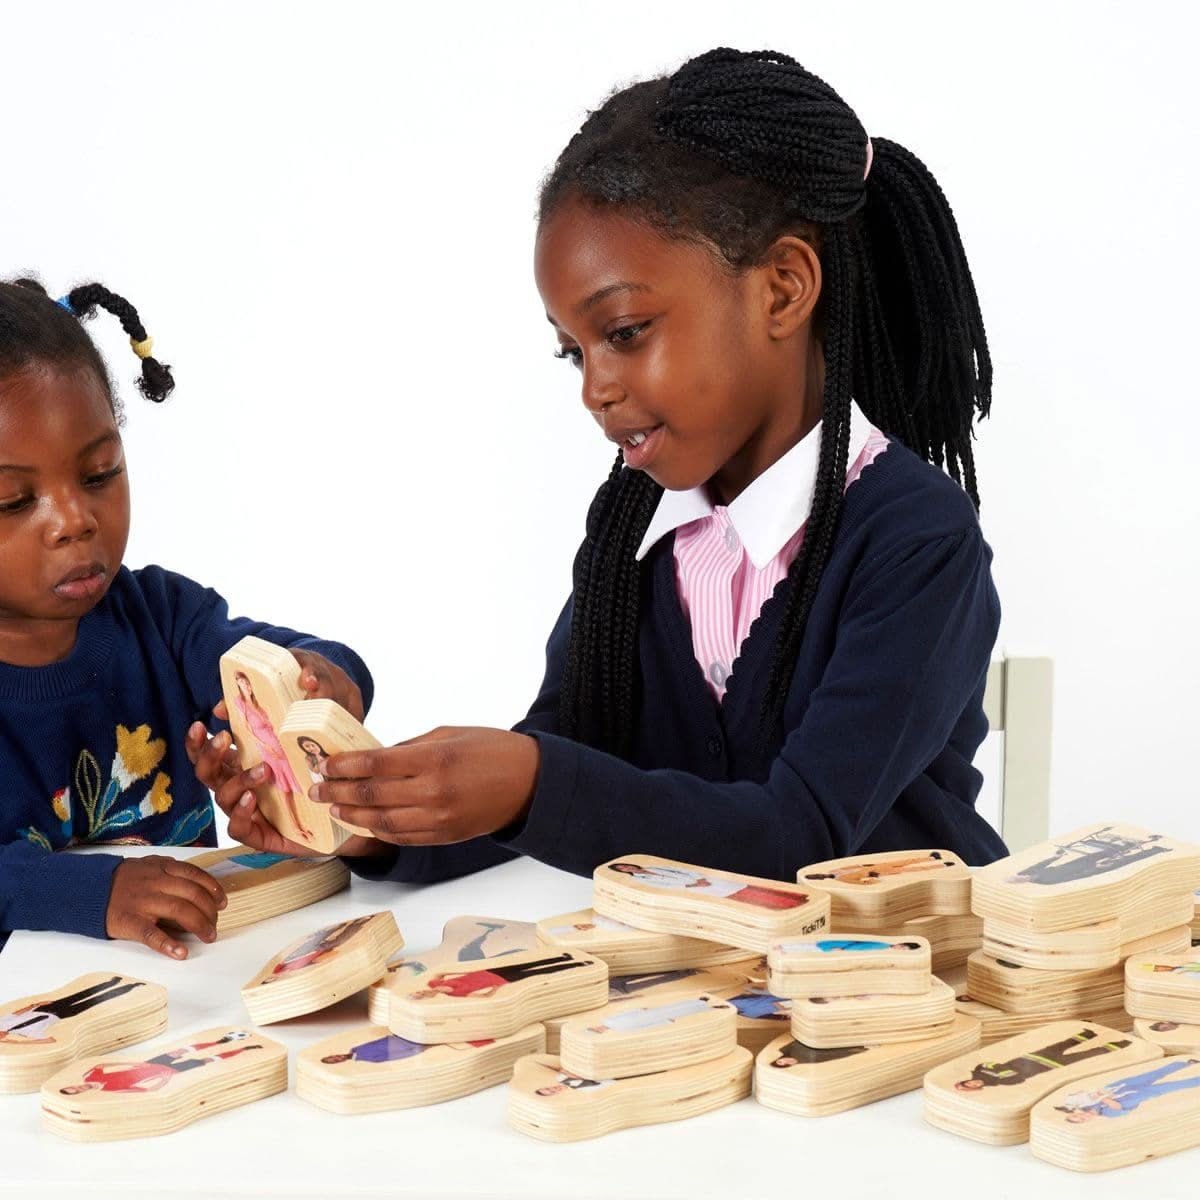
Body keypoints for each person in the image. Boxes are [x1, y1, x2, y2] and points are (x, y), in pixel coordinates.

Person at [215, 47, 1006, 887]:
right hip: (705, 996)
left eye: (625, 332)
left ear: (781, 288)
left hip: (913, 992)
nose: (596, 387)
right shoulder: (634, 528)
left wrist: (531, 781)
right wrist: (368, 819)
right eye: (573, 352)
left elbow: (799, 835)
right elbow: (563, 757)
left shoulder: (917, 543)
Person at [0, 279, 372, 958]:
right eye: (13, 501)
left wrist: (325, 682)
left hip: (185, 1008)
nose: (75, 521)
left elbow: (285, 663)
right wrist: (98, 893)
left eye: (99, 474)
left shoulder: (165, 621)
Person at [953, 1029, 1132, 1091]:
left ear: (967, 1081)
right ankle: (1122, 1043)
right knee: (1089, 1054)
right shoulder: (1000, 1083)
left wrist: (1000, 1070)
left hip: (1033, 1056)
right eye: (975, 1087)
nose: (974, 1083)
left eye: (969, 1084)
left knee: (1066, 1042)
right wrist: (1001, 1071)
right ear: (979, 1088)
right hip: (1051, 1065)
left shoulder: (979, 1070)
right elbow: (1018, 1076)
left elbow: (991, 1063)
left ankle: (1089, 1033)